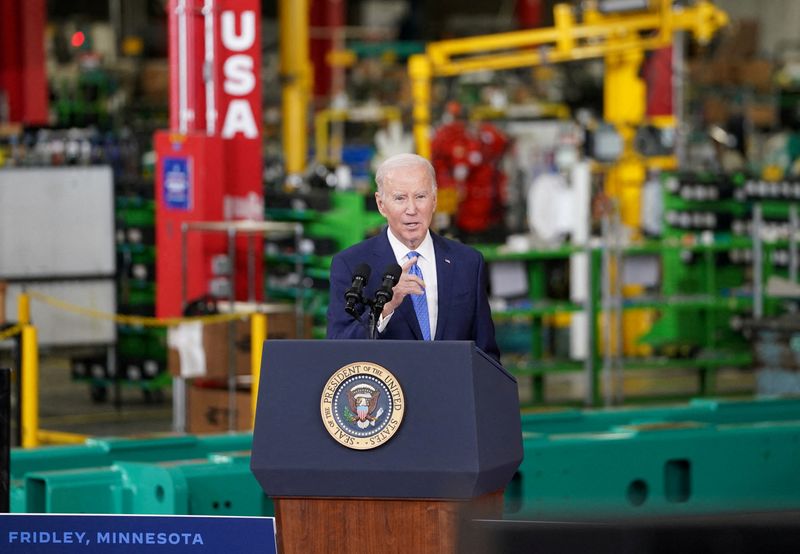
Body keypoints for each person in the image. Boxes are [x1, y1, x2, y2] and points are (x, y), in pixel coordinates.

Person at [326, 152, 500, 362]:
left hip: (452, 390)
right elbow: (338, 347)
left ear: (434, 200)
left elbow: (486, 353)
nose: (412, 209)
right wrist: (385, 308)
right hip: (388, 393)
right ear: (381, 204)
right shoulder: (350, 264)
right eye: (400, 198)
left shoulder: (468, 263)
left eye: (420, 197)